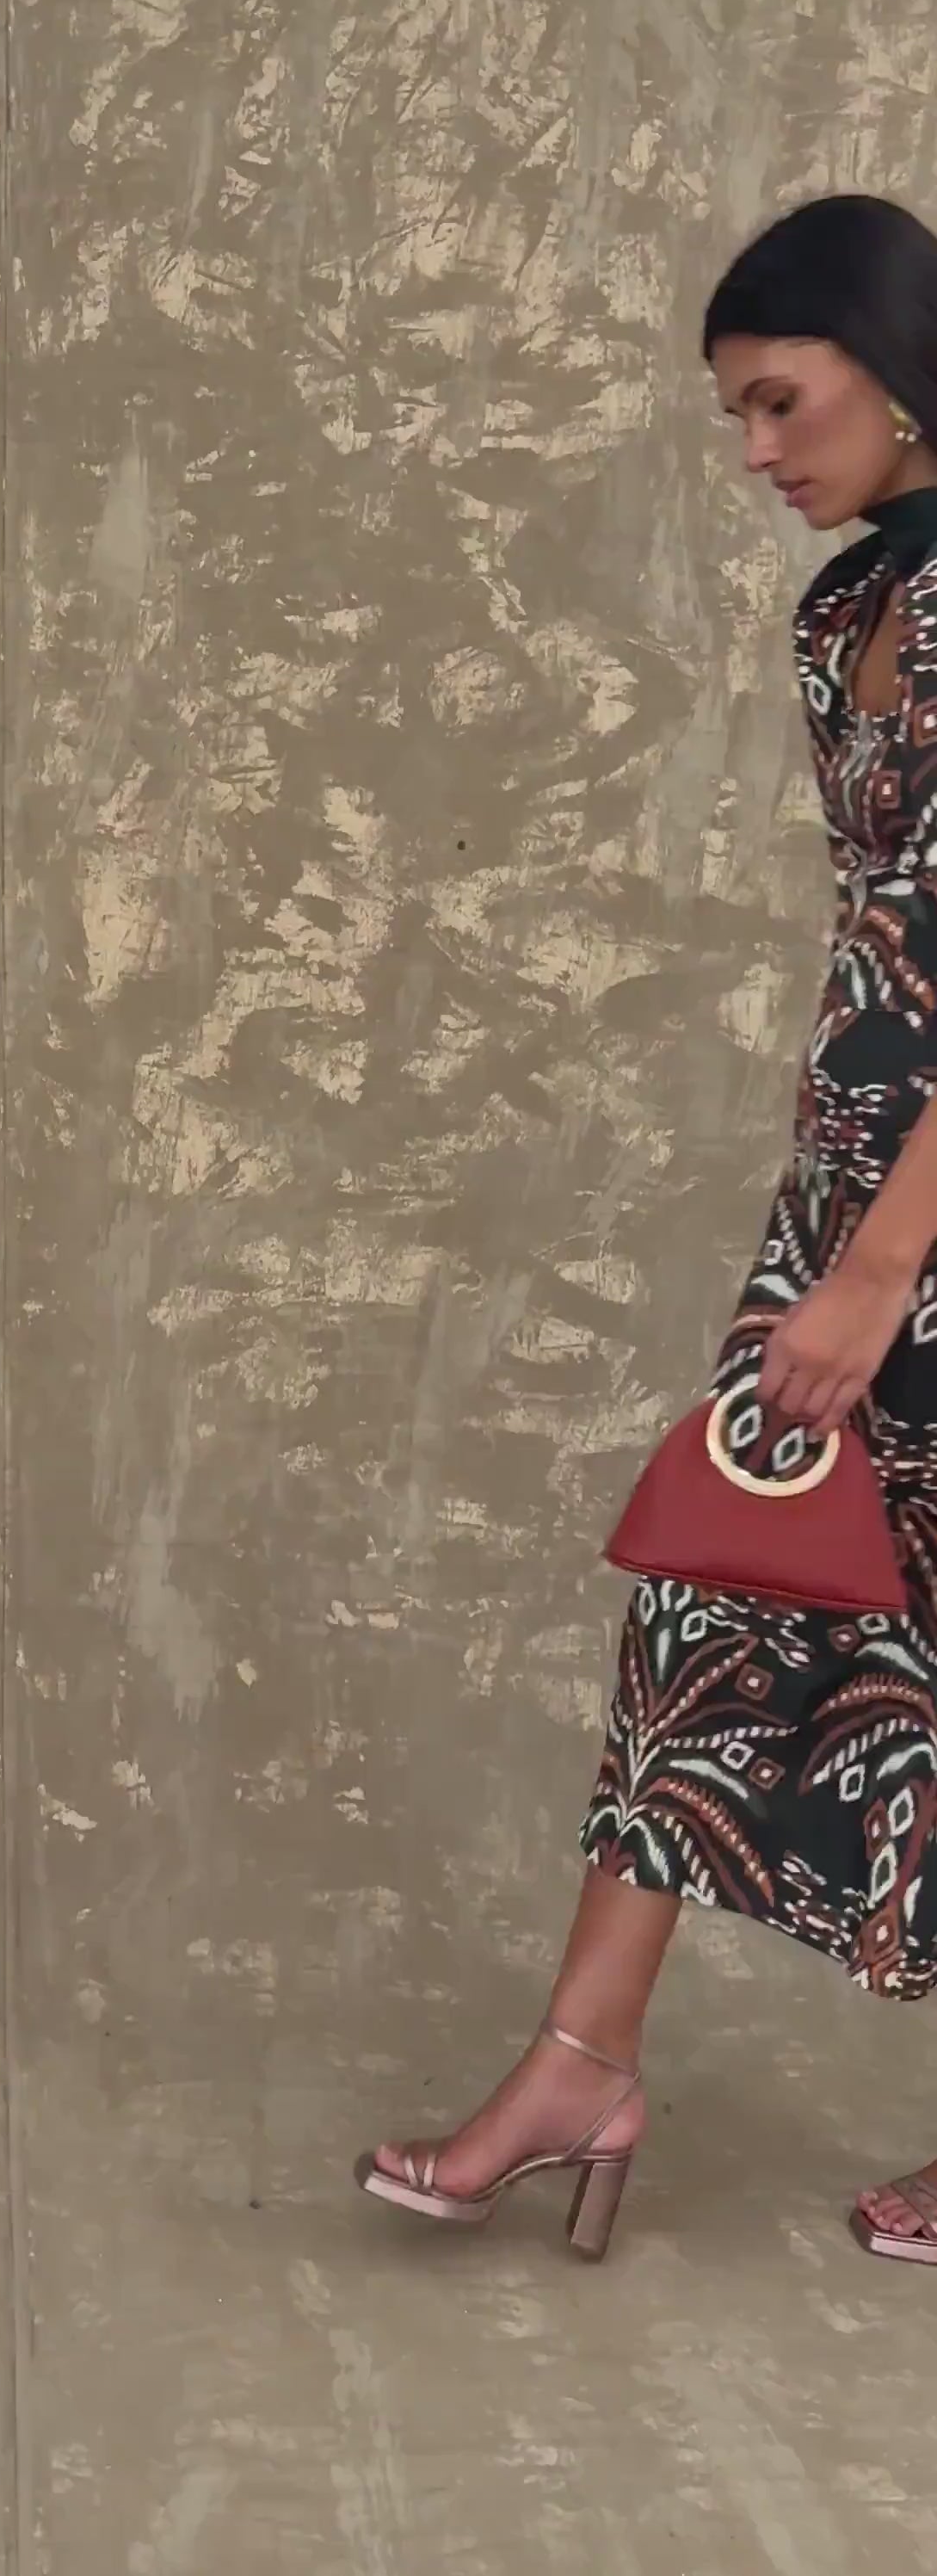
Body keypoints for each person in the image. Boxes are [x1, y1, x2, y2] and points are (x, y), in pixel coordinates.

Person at [356, 193, 937, 2266]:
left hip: (910, 1215)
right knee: (723, 1584)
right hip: (869, 1177)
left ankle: (577, 2064)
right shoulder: (854, 603)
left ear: (899, 367)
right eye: (734, 417)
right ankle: (579, 2061)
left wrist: (881, 1266)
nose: (758, 450)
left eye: (783, 402)